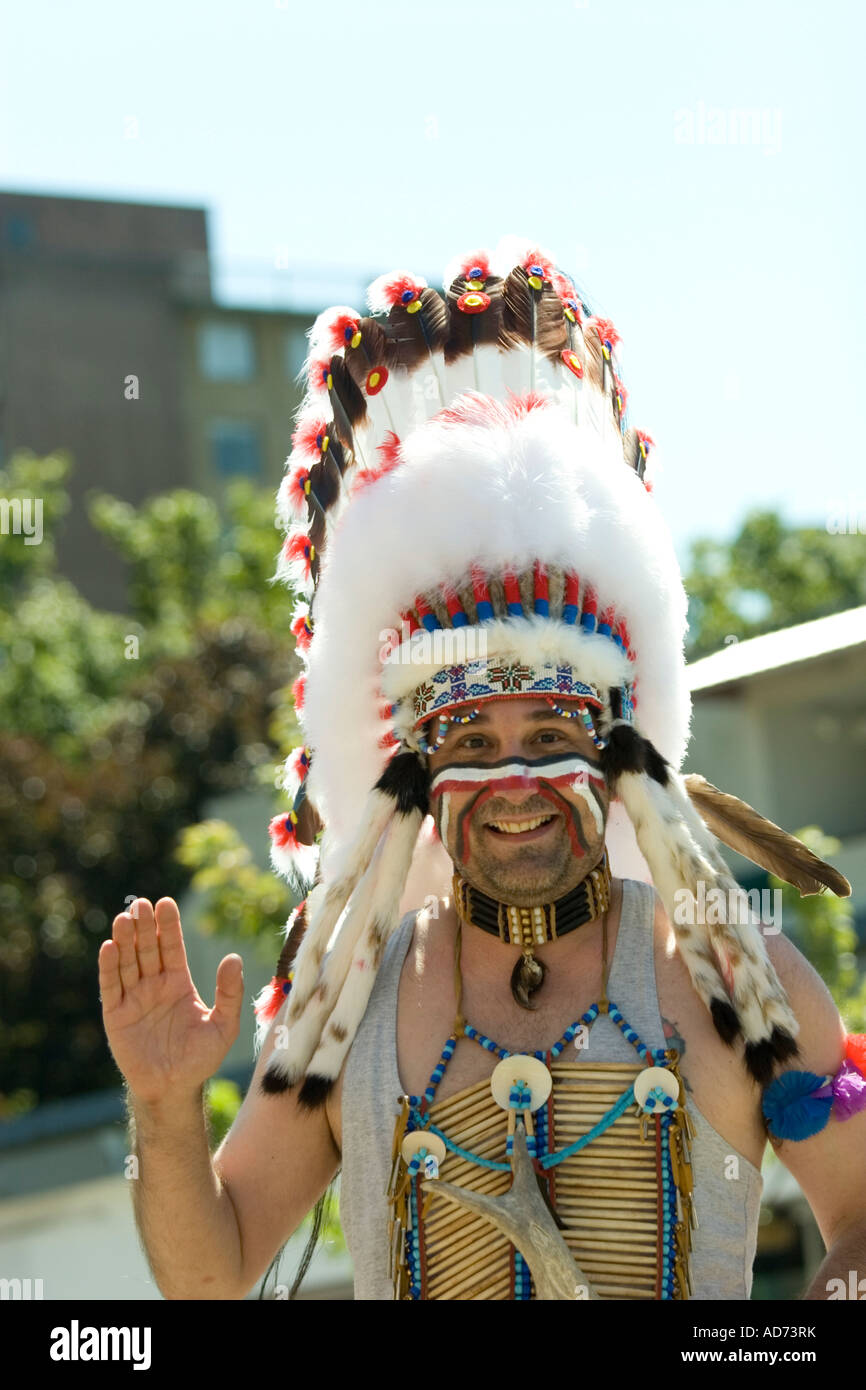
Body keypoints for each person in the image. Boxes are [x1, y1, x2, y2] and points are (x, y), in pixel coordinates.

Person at [99, 238, 866, 1300]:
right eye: (467, 745)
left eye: (548, 736)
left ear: (612, 760)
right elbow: (209, 1273)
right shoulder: (349, 1004)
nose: (510, 778)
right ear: (413, 783)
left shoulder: (741, 985)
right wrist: (164, 1103)